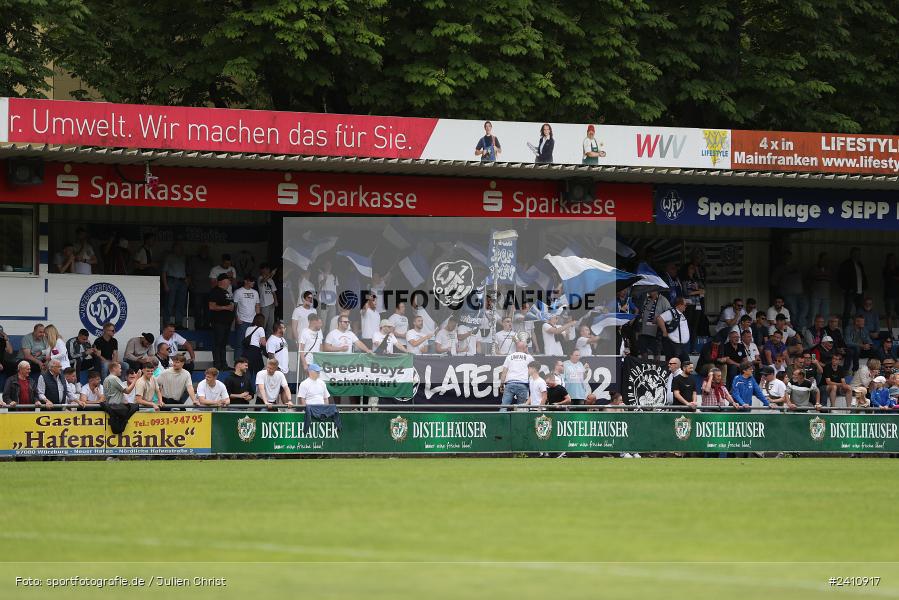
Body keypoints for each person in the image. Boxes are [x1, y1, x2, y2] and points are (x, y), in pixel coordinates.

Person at [208, 273, 235, 370]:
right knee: (218, 343)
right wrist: (226, 307)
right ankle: (217, 364)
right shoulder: (215, 291)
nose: (229, 282)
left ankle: (224, 364)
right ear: (222, 281)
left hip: (227, 322)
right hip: (218, 321)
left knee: (223, 344)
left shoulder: (226, 292)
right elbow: (211, 306)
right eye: (227, 280)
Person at [498, 341, 534, 410]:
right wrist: (527, 352)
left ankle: (500, 420)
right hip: (523, 384)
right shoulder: (529, 357)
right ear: (525, 348)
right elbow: (535, 367)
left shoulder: (509, 357)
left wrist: (501, 385)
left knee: (504, 406)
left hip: (510, 384)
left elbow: (504, 372)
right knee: (521, 409)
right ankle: (520, 420)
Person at [161, 241, 188, 326]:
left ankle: (179, 322)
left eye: (180, 248)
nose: (179, 249)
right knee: (169, 303)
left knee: (181, 303)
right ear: (174, 249)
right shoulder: (169, 257)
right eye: (177, 248)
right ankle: (167, 322)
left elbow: (188, 270)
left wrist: (188, 280)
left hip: (182, 282)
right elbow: (164, 272)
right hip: (171, 281)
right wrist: (165, 285)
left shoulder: (184, 257)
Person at [234, 273, 261, 358]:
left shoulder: (255, 292)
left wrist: (259, 319)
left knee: (252, 343)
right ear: (245, 281)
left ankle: (248, 364)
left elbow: (257, 305)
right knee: (240, 343)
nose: (253, 282)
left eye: (254, 281)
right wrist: (237, 317)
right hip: (242, 321)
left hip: (253, 321)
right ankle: (238, 363)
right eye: (251, 281)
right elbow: (235, 306)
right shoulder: (238, 292)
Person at [656, 297, 690, 364]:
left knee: (685, 363)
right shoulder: (671, 312)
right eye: (685, 305)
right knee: (676, 364)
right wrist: (664, 331)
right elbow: (659, 319)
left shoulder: (680, 313)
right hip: (674, 345)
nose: (686, 307)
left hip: (681, 345)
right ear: (679, 305)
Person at [638, 290, 670, 359]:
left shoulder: (663, 300)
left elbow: (669, 313)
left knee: (656, 351)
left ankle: (655, 367)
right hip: (644, 329)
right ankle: (645, 366)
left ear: (656, 290)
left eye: (651, 289)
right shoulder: (647, 299)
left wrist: (660, 318)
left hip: (656, 331)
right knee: (643, 350)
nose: (649, 291)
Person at [188, 245, 214, 329]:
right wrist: (191, 285)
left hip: (208, 289)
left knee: (207, 309)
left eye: (206, 251)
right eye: (203, 250)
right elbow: (189, 273)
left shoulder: (210, 260)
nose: (204, 252)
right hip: (197, 289)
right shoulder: (194, 260)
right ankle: (198, 325)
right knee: (197, 309)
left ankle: (206, 325)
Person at [257, 263, 279, 334]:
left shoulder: (271, 280)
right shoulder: (260, 278)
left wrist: (275, 301)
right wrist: (271, 274)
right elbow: (263, 281)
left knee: (271, 324)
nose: (267, 270)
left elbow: (273, 291)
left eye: (268, 269)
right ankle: (261, 340)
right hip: (264, 304)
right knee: (263, 323)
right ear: (262, 270)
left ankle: (269, 340)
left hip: (271, 304)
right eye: (266, 269)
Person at [883, 254, 899, 332]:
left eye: (893, 259)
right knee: (889, 314)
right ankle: (890, 333)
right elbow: (886, 278)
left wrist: (894, 277)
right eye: (890, 259)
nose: (892, 261)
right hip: (889, 296)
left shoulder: (898, 268)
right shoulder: (886, 269)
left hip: (897, 295)